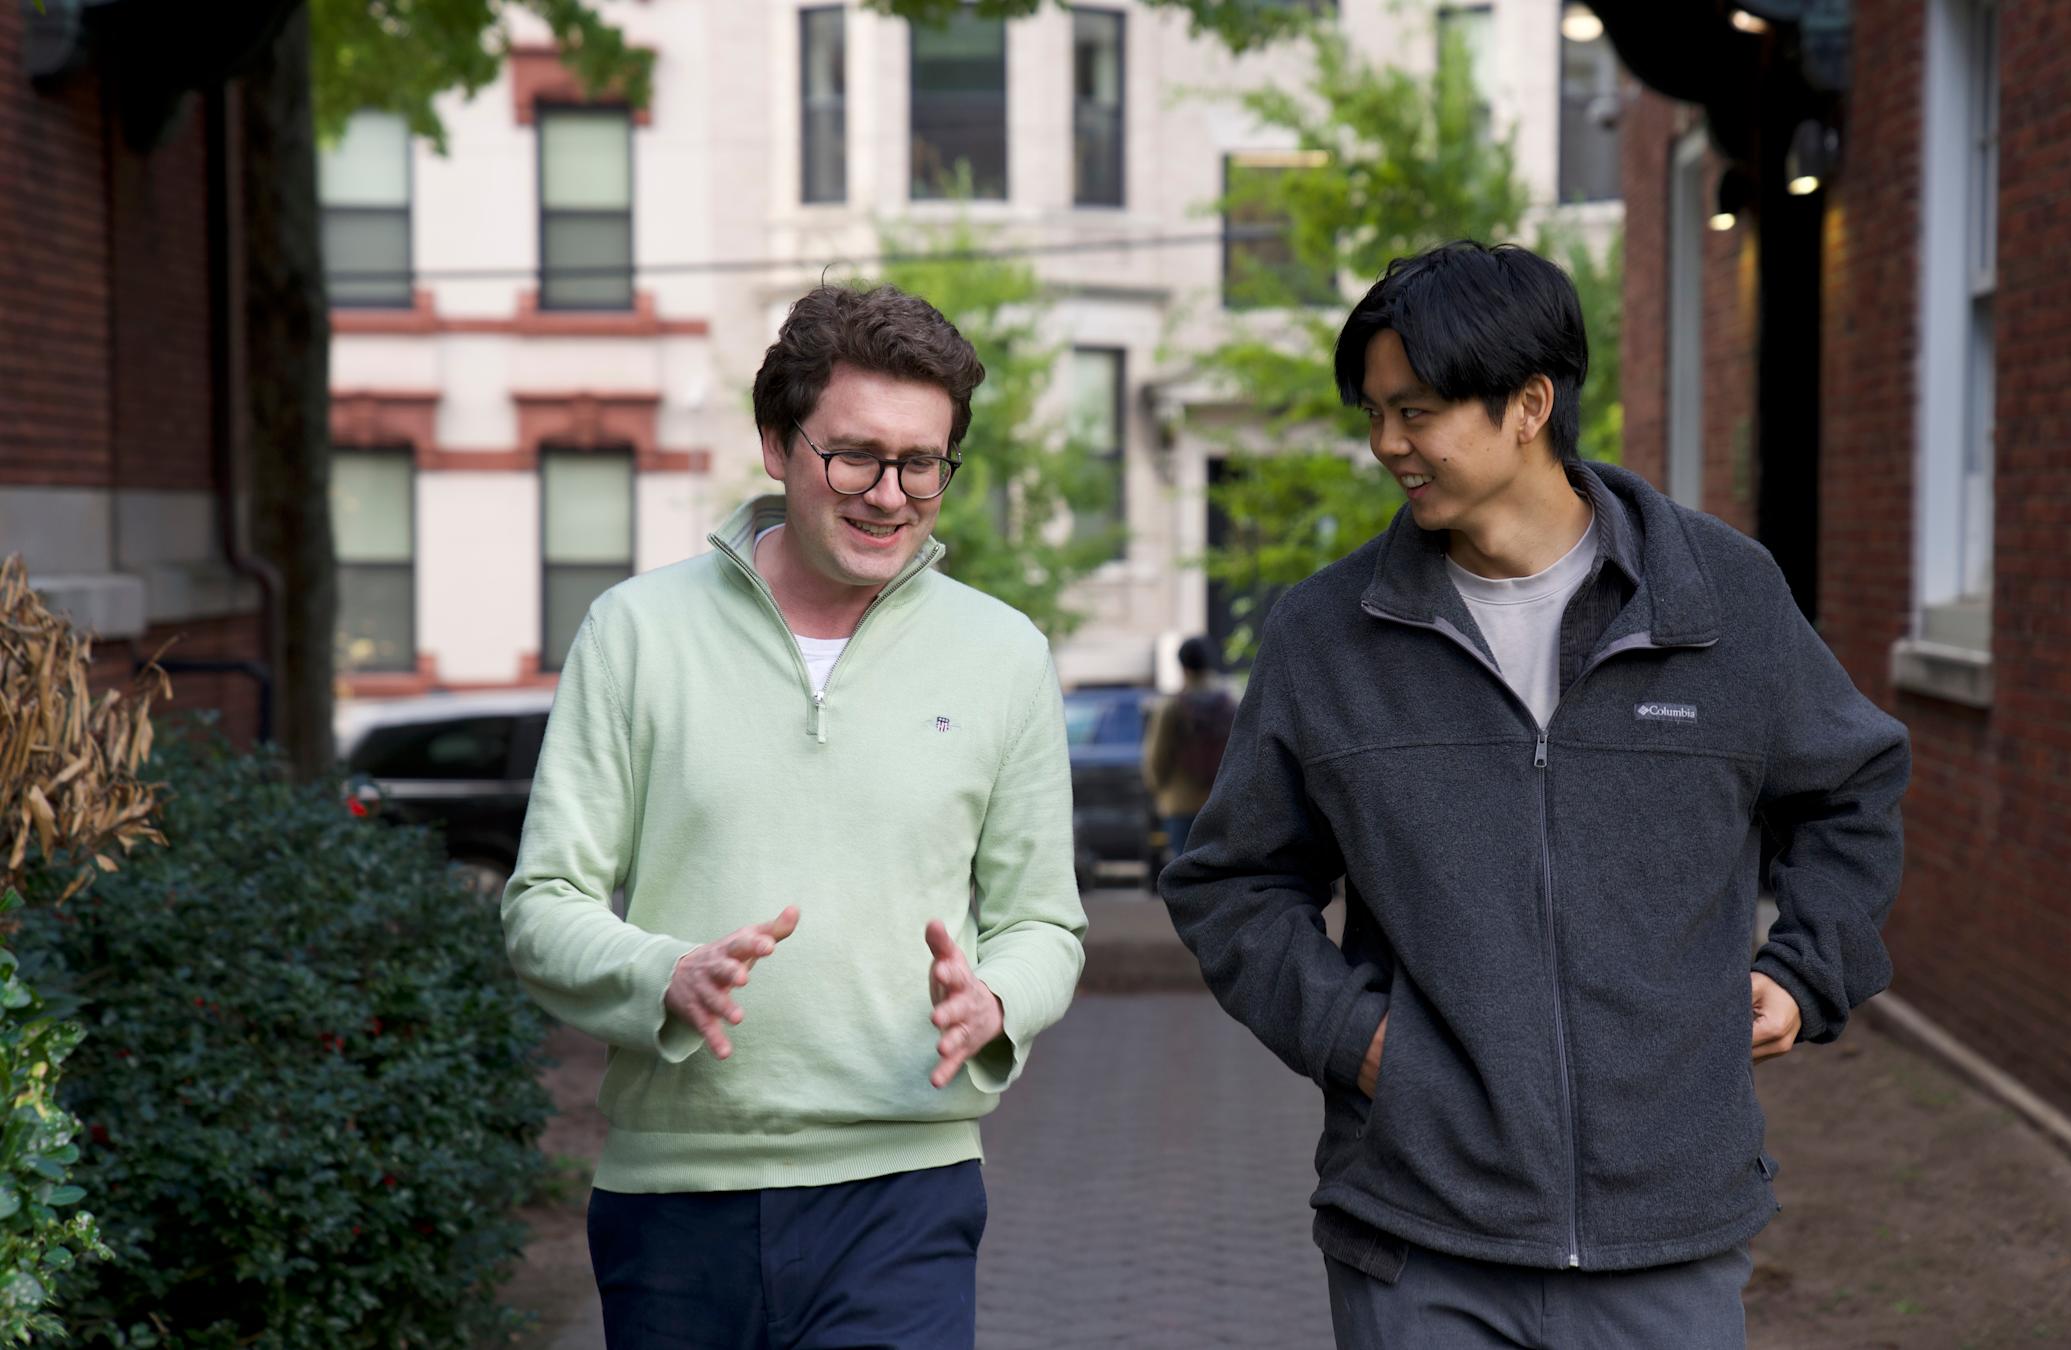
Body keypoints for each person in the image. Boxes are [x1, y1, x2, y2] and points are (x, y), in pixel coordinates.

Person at [1161, 242, 1909, 1349]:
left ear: (1528, 405)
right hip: (1418, 1239)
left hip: (1670, 1235)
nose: (1385, 445)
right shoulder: (1327, 636)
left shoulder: (1722, 598)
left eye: (1414, 412)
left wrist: (1807, 970)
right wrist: (1361, 1041)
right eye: (1372, 413)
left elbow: (1851, 786)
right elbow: (1230, 882)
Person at [501, 284, 1087, 1350]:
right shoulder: (636, 634)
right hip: (674, 1200)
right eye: (855, 456)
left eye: (923, 464)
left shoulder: (1004, 656)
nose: (890, 494)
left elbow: (1046, 923)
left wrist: (997, 998)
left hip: (904, 1188)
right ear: (777, 444)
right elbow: (542, 907)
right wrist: (664, 974)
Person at [1142, 635, 1237, 862]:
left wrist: (1159, 791)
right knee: (1218, 874)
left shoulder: (1171, 707)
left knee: (1184, 872)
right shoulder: (1231, 704)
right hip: (1220, 802)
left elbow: (1156, 758)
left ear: (1182, 666)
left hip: (1180, 802)